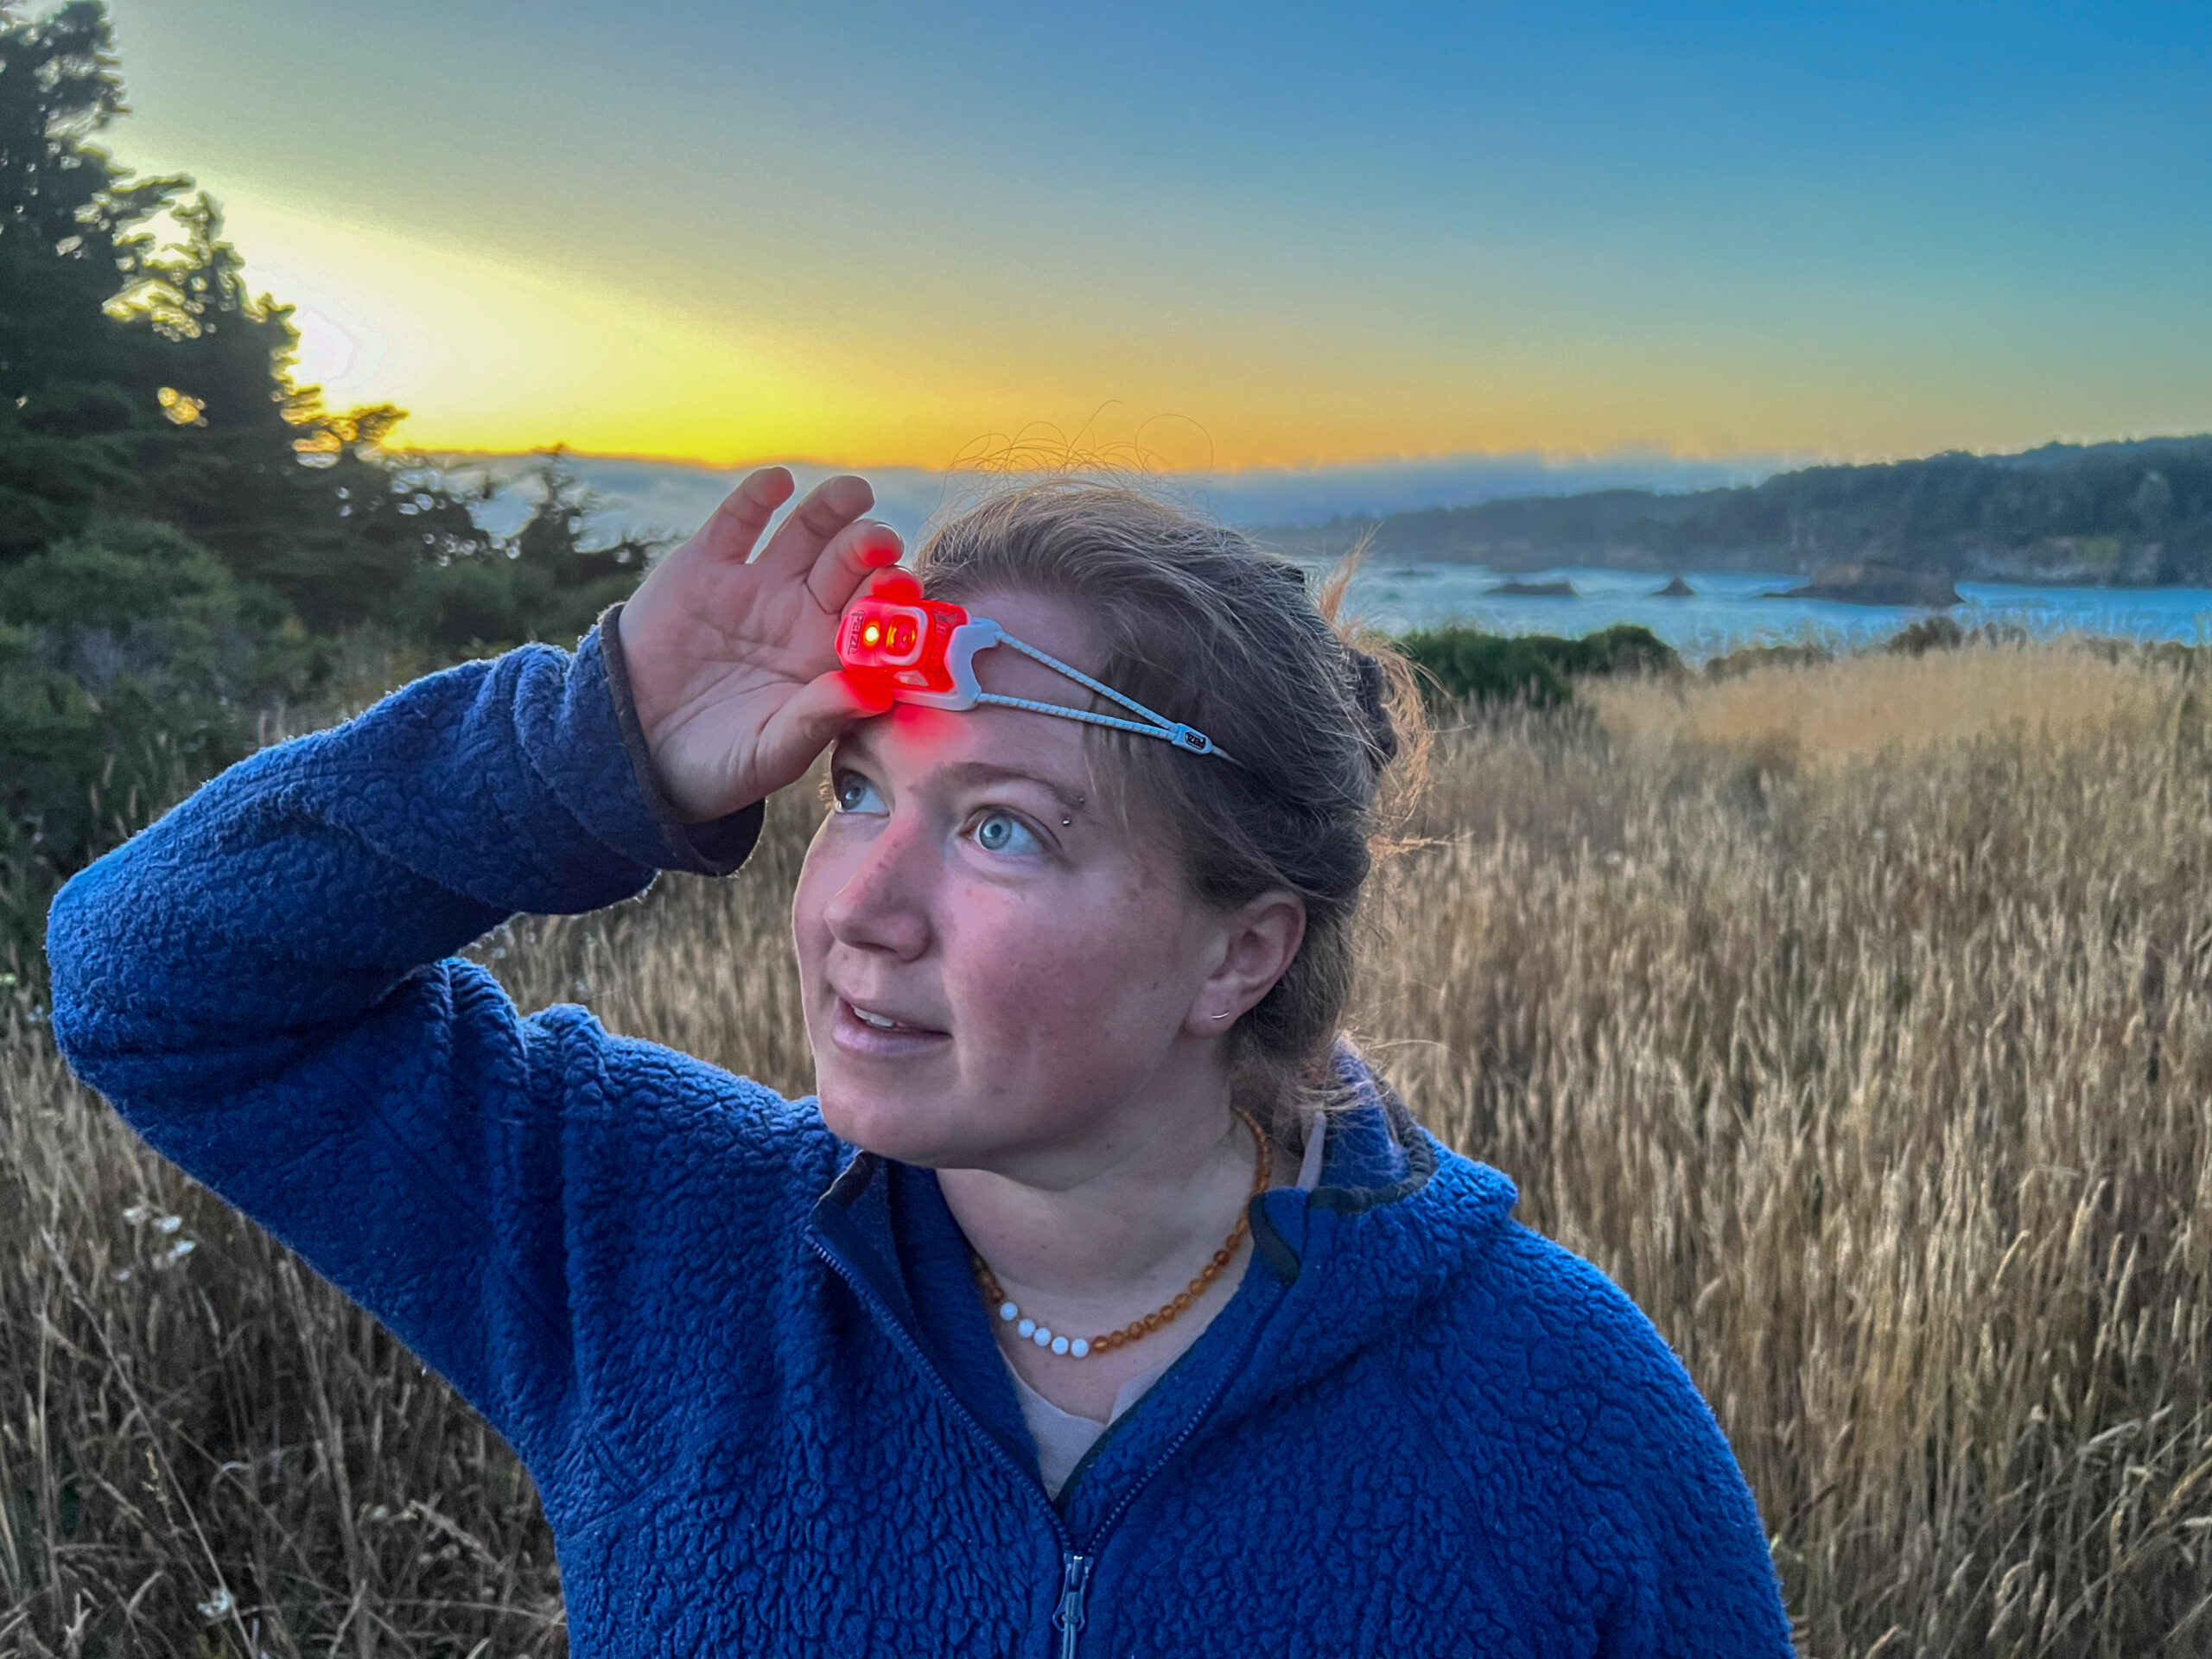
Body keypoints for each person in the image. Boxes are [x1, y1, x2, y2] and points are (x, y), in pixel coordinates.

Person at [48, 468, 1793, 1656]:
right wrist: (601, 745)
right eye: (860, 795)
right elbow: (148, 975)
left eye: (1004, 833)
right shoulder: (643, 1233)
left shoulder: (1556, 1419)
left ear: (1238, 948)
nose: (860, 909)